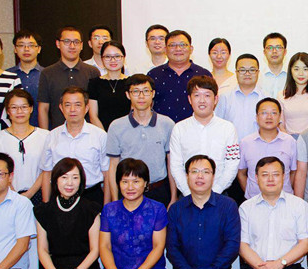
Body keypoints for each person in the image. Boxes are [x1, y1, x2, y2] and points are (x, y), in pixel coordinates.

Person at [106, 74, 176, 206]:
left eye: (146, 91)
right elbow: (113, 166)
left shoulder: (167, 124)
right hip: (128, 192)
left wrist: (173, 197)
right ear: (128, 95)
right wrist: (115, 201)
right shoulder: (116, 126)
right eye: (136, 92)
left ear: (153, 93)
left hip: (158, 191)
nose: (141, 96)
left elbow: (171, 163)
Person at [169, 75, 240, 196]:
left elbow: (232, 164)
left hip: (219, 194)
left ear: (215, 99)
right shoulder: (179, 129)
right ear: (190, 99)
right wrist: (188, 193)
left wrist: (215, 192)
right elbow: (175, 166)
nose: (202, 100)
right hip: (188, 195)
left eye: (207, 95)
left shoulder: (228, 128)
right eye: (197, 95)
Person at [40, 87, 110, 205]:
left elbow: (107, 174)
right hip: (59, 196)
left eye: (78, 105)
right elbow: (46, 173)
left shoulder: (100, 136)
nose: (72, 110)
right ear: (61, 108)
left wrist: (106, 207)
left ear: (86, 108)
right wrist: (46, 205)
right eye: (67, 105)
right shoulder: (52, 136)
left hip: (91, 196)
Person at [0, 89, 49, 204]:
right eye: (14, 107)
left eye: (24, 107)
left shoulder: (46, 136)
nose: (19, 111)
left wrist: (30, 193)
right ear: (8, 111)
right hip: (6, 196)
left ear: (31, 109)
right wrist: (14, 193)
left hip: (39, 195)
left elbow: (47, 169)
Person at [37, 26, 100, 130]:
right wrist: (45, 135)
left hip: (87, 134)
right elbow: (43, 108)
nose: (72, 46)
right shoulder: (47, 73)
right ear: (58, 44)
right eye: (67, 41)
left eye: (76, 42)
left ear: (81, 45)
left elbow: (96, 109)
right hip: (58, 134)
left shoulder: (92, 72)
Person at [148, 29, 212, 123]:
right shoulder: (153, 75)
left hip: (196, 128)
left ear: (191, 49)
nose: (178, 49)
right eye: (172, 45)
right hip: (162, 129)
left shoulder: (203, 74)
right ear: (165, 49)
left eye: (183, 45)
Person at [238, 98, 297, 199]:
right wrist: (251, 196)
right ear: (257, 117)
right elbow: (241, 174)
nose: (269, 117)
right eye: (264, 113)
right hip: (254, 201)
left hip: (285, 200)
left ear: (280, 117)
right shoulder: (246, 142)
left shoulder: (290, 141)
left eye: (274, 113)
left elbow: (293, 172)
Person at [216, 54, 264, 140]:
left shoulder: (266, 98)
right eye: (242, 70)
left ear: (258, 72)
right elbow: (217, 124)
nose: (247, 74)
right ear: (236, 73)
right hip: (231, 146)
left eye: (252, 70)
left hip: (259, 147)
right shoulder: (224, 97)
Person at [87, 41, 131, 130]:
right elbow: (93, 116)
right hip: (102, 134)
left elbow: (133, 112)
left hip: (127, 132)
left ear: (124, 58)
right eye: (108, 57)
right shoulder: (94, 83)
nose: (113, 60)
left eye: (117, 56)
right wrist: (104, 135)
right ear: (102, 59)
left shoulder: (132, 83)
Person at [7, 30, 43, 126]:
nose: (26, 49)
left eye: (31, 45)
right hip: (14, 129)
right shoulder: (7, 75)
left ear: (39, 49)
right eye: (21, 45)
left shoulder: (47, 74)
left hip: (42, 129)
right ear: (15, 49)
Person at [278, 52, 308, 136]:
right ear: (290, 71)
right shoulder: (282, 95)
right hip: (289, 140)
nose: (301, 73)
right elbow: (280, 124)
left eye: (305, 69)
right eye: (296, 69)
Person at [260, 33, 289, 98]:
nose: (274, 51)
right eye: (270, 48)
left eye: (278, 47)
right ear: (264, 52)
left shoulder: (292, 76)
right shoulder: (258, 77)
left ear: (285, 52)